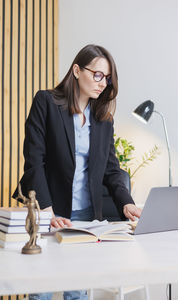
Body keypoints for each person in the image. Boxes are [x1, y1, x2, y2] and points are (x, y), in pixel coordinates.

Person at [13, 44, 142, 300]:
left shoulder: (104, 118)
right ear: (76, 70)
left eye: (106, 78)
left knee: (78, 292)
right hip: (50, 211)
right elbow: (34, 162)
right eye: (97, 75)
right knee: (42, 292)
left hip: (85, 217)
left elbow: (111, 169)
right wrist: (46, 211)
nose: (102, 82)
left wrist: (126, 203)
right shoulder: (46, 102)